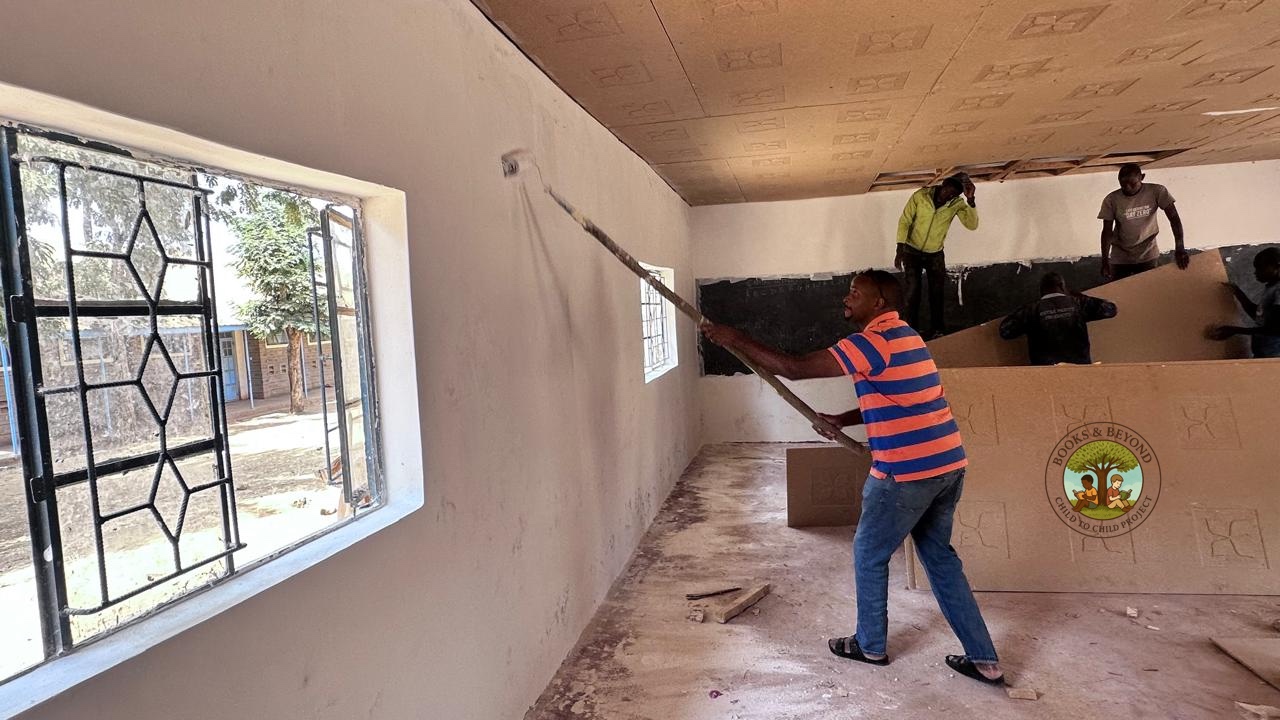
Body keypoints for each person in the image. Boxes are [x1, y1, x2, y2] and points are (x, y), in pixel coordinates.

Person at [700, 270, 1003, 686]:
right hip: (948, 465)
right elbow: (901, 396)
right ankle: (985, 659)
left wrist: (733, 338)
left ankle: (870, 646)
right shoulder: (908, 338)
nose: (846, 299)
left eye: (855, 293)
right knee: (940, 559)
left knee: (869, 553)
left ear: (878, 303)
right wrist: (841, 419)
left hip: (905, 471)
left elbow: (793, 368)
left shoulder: (870, 342)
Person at [894, 173, 978, 338]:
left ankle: (937, 329)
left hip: (935, 253)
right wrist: (900, 248)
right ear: (942, 185)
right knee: (913, 291)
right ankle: (911, 331)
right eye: (948, 191)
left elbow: (972, 225)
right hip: (912, 250)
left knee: (937, 292)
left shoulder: (957, 204)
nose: (949, 196)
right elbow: (905, 221)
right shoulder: (921, 196)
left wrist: (971, 200)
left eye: (954, 194)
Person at [998, 272, 1118, 365]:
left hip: (1045, 372)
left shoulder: (1031, 310)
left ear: (1041, 290)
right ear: (1061, 286)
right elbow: (1110, 310)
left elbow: (1005, 331)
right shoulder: (1078, 303)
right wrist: (1080, 296)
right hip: (1080, 369)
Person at [1098, 163, 1188, 281]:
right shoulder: (1111, 199)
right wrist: (1105, 260)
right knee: (1121, 293)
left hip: (1148, 253)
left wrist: (1180, 247)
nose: (1128, 188)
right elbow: (1107, 231)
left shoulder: (1157, 191)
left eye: (1133, 184)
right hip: (1120, 255)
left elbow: (1174, 219)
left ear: (1142, 177)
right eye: (1123, 184)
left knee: (1148, 292)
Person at [1209, 247, 1280, 358]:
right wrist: (1238, 293)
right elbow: (1260, 318)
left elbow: (1276, 329)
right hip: (1264, 353)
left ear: (1276, 266)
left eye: (1260, 268)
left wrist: (1234, 330)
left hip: (1273, 357)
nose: (1256, 273)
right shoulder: (1272, 287)